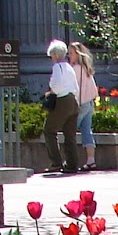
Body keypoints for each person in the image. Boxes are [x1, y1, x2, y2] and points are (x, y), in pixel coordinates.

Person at [42, 39, 81, 174]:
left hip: (63, 100)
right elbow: (75, 86)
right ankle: (72, 164)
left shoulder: (57, 67)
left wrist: (51, 92)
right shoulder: (69, 67)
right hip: (73, 101)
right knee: (70, 135)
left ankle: (56, 162)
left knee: (49, 130)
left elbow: (56, 85)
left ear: (55, 55)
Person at [70, 41, 99, 170]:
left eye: (71, 53)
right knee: (87, 131)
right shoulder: (87, 69)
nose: (69, 56)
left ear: (77, 54)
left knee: (69, 131)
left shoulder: (75, 69)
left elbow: (72, 87)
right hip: (89, 102)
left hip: (80, 104)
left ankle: (69, 160)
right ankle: (91, 160)